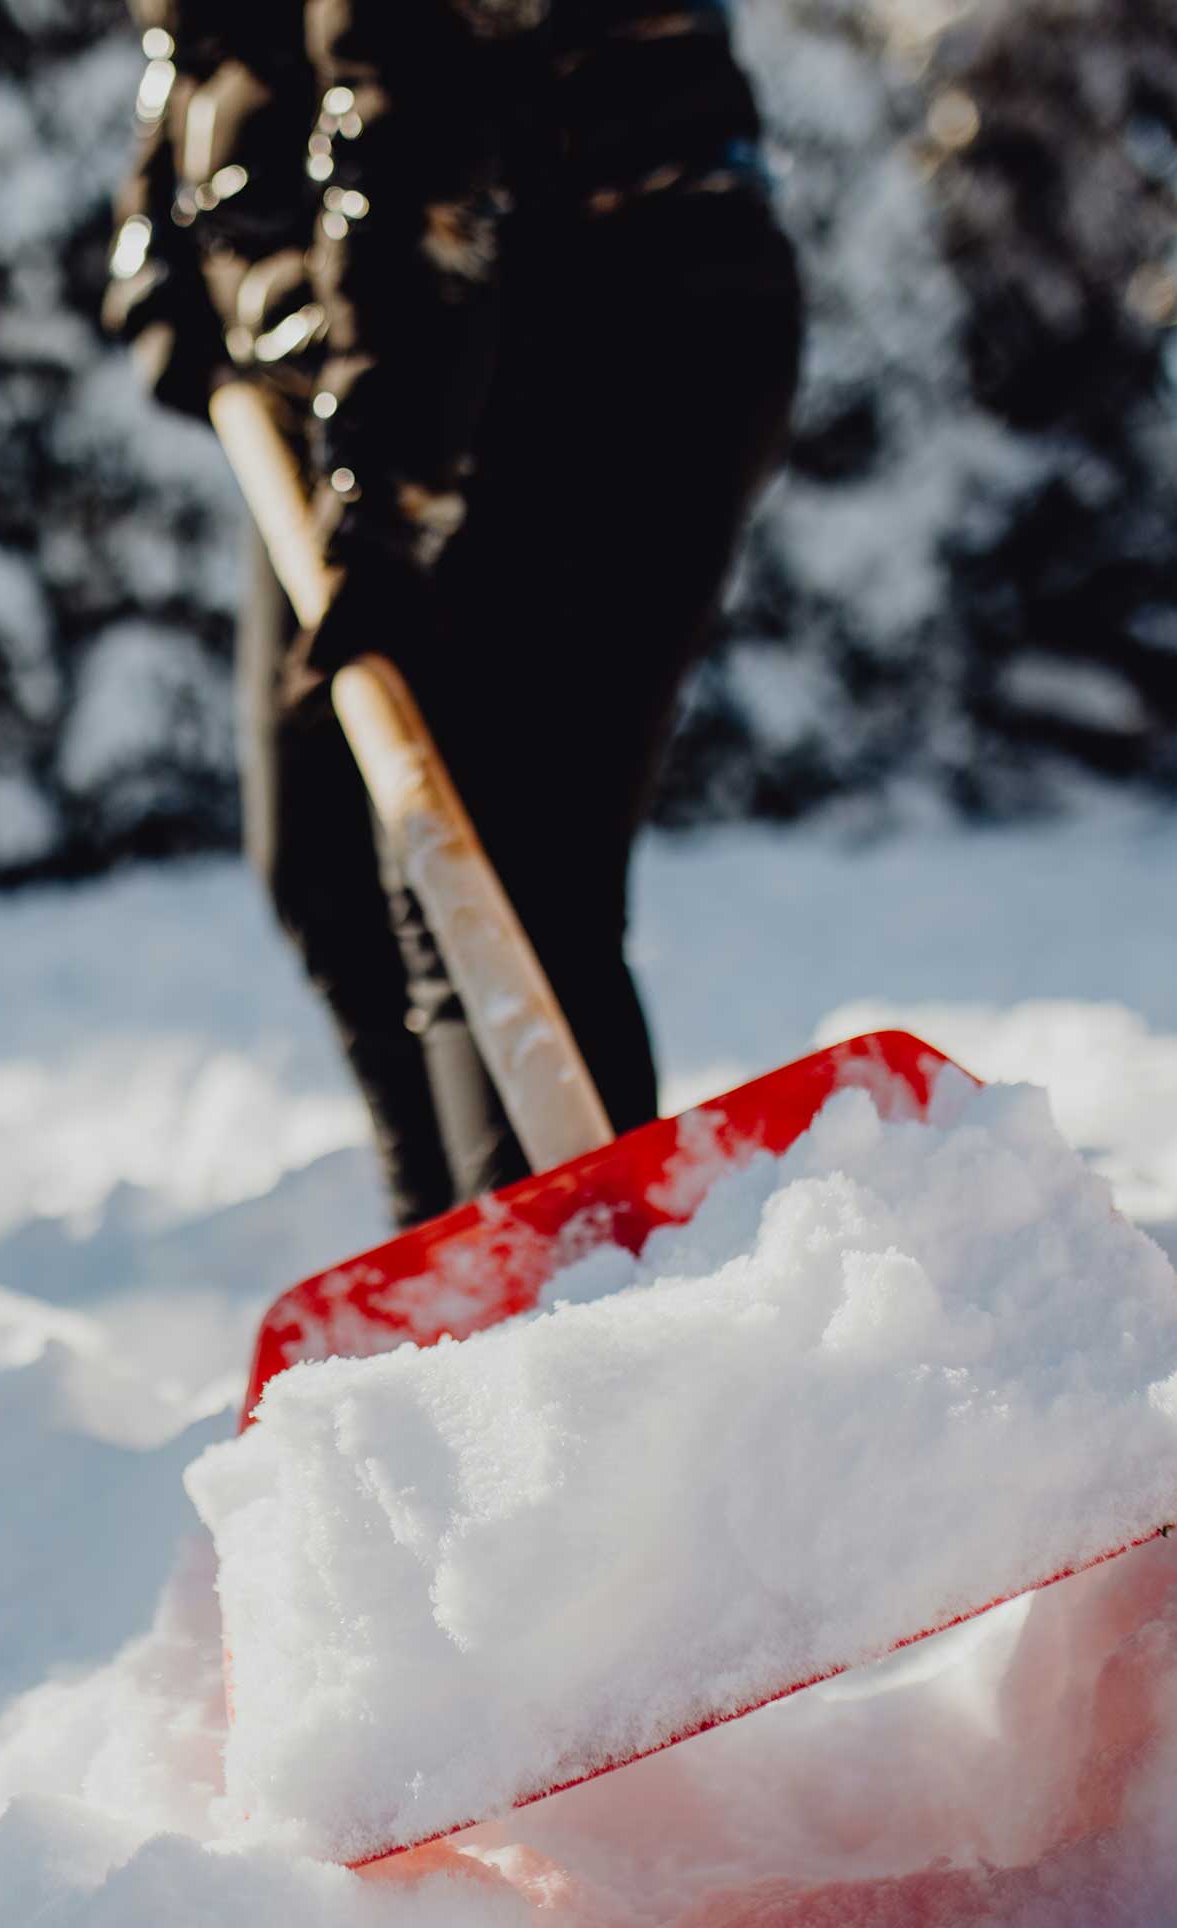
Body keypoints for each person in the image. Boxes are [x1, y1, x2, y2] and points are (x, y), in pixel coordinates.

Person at [105, 0, 802, 1227]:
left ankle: (584, 1309)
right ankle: (457, 1271)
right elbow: (208, 43)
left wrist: (388, 501)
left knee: (495, 855)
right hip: (369, 357)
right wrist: (172, 227)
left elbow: (410, 113)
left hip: (605, 287)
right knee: (324, 854)